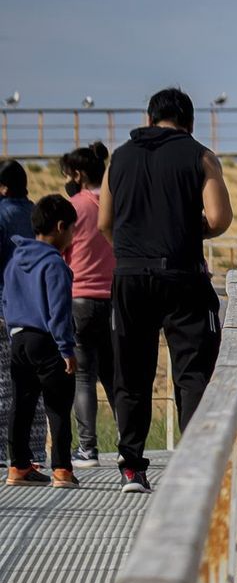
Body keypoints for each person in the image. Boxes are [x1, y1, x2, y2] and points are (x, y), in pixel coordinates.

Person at [99, 87, 232, 494]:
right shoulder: (200, 156)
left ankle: (132, 468)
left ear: (149, 118)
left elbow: (105, 221)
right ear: (189, 122)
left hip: (131, 277)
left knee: (132, 371)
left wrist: (133, 250)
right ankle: (191, 466)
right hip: (183, 276)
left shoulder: (118, 158)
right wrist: (188, 232)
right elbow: (219, 217)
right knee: (191, 372)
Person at [3, 196, 79, 488]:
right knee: (58, 405)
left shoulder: (14, 261)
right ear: (60, 227)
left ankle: (19, 467)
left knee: (21, 404)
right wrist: (66, 349)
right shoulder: (54, 265)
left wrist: (13, 330)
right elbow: (58, 310)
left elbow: (7, 299)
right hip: (47, 340)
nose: (72, 236)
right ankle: (61, 469)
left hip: (19, 338)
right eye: (72, 230)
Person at [60, 142, 117, 468]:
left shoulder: (73, 208)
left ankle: (88, 449)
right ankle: (128, 446)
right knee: (113, 378)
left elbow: (64, 252)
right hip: (112, 300)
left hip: (79, 298)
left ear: (78, 174)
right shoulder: (115, 204)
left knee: (84, 379)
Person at [0, 159, 48, 467]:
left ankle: (6, 453)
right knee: (34, 382)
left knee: (5, 382)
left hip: (5, 302)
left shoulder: (2, 216)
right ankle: (36, 452)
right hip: (37, 304)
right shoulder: (35, 213)